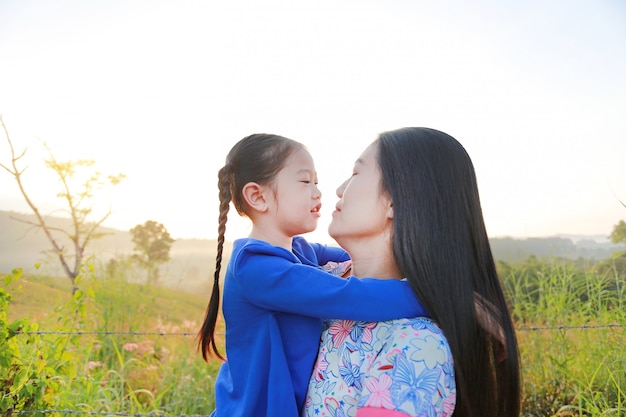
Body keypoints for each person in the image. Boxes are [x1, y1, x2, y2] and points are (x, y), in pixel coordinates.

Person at [197, 133, 429, 417]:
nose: (318, 192)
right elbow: (347, 295)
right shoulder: (257, 268)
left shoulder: (299, 250)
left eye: (316, 182)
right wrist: (436, 296)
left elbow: (357, 255)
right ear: (258, 197)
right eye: (305, 181)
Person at [303, 127, 521, 417]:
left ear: (395, 199)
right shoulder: (312, 279)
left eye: (356, 174)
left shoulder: (417, 347)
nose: (340, 189)